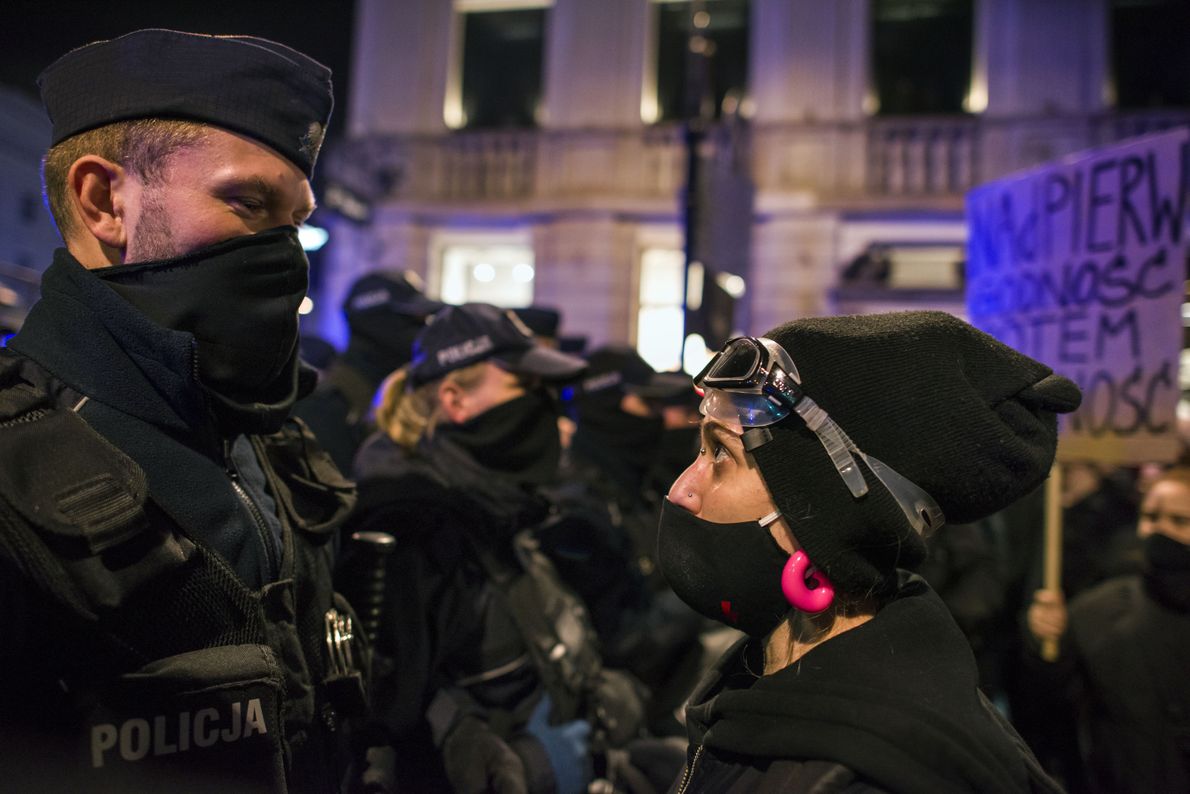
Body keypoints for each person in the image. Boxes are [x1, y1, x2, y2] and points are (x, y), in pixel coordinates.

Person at [0, 30, 365, 792]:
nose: (285, 254)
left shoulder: (272, 445)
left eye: (293, 221)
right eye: (246, 202)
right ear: (104, 201)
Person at [657, 310, 1079, 792]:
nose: (682, 489)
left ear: (825, 515)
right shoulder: (757, 684)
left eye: (721, 455)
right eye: (700, 450)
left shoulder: (871, 775)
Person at [344, 302, 676, 794]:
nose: (547, 408)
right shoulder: (412, 528)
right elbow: (397, 721)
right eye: (528, 388)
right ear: (456, 400)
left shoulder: (498, 509)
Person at [1025, 465, 1190, 794]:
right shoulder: (1095, 612)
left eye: (1180, 521)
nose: (1160, 530)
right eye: (1151, 516)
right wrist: (1045, 647)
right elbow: (1052, 706)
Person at [293, 269, 443, 472]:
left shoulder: (413, 389)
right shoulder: (328, 406)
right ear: (379, 323)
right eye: (413, 319)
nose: (423, 328)